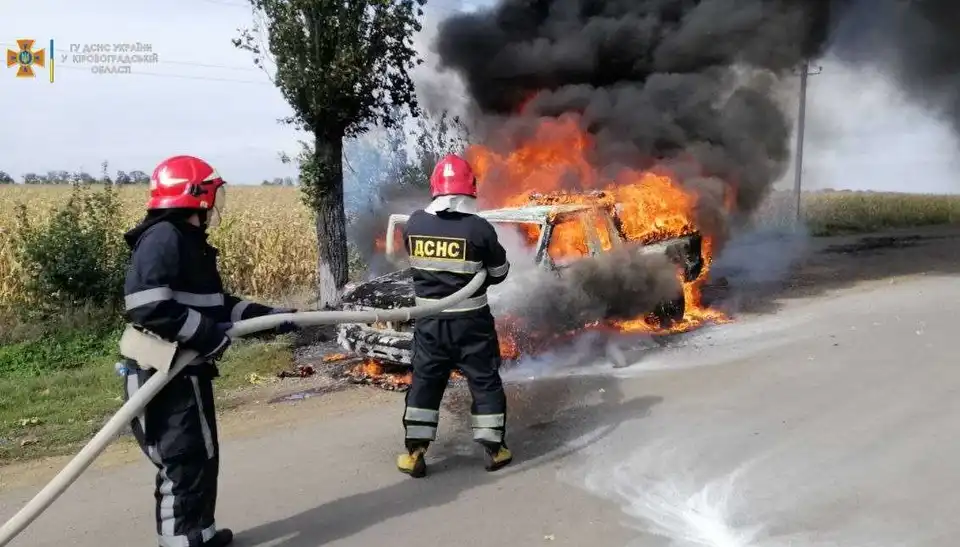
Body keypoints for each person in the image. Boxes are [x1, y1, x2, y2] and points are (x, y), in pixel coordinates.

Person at [121, 155, 297, 547]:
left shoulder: (185, 242)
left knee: (199, 457)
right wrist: (207, 337)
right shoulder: (165, 237)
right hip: (162, 374)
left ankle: (200, 534)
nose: (216, 204)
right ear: (196, 195)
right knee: (182, 462)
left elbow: (214, 306)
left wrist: (270, 318)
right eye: (213, 194)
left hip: (181, 374)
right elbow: (147, 306)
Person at [397, 153, 512, 478]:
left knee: (425, 383)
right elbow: (499, 272)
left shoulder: (414, 223)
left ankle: (415, 453)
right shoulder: (479, 229)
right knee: (484, 381)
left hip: (430, 326)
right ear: (469, 189)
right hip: (472, 326)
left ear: (435, 187)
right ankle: (494, 450)